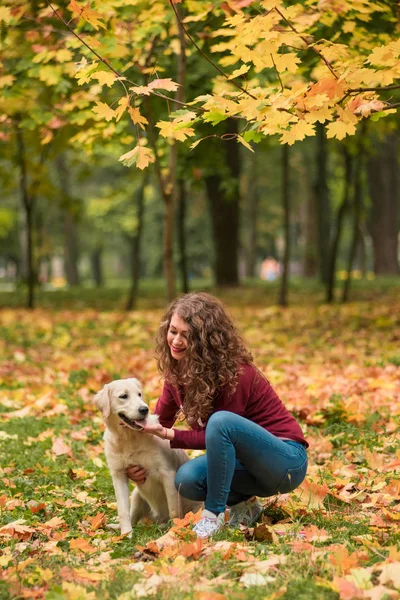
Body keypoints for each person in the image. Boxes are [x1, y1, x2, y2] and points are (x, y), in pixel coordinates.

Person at [126, 292, 308, 539]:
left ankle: (212, 516)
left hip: (285, 461)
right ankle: (246, 506)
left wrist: (171, 434)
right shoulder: (177, 375)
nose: (176, 341)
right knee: (186, 480)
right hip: (246, 466)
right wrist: (134, 463)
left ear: (206, 341)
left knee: (221, 422)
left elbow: (219, 434)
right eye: (173, 331)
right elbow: (158, 424)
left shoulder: (237, 373)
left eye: (186, 335)